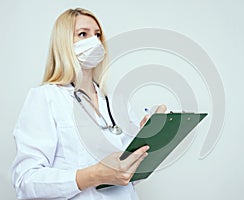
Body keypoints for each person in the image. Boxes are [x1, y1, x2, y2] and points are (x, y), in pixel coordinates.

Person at [11, 8, 165, 200]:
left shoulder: (115, 101)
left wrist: (148, 139)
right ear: (64, 43)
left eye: (98, 35)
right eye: (83, 34)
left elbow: (129, 176)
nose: (95, 41)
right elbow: (26, 181)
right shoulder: (46, 97)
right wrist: (93, 175)